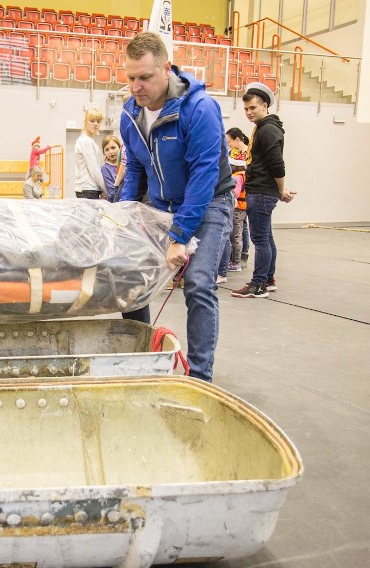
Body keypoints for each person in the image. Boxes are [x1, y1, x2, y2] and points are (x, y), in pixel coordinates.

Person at [118, 32, 235, 383]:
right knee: (129, 275)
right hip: (161, 204)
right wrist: (122, 214)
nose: (137, 87)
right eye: (131, 78)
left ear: (166, 69)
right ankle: (140, 359)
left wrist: (180, 236)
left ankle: (200, 378)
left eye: (145, 77)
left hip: (209, 200)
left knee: (199, 284)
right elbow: (136, 170)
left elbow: (204, 174)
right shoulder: (129, 114)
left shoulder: (200, 109)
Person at [232, 82, 296, 299]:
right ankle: (267, 279)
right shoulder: (263, 127)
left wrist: (280, 190)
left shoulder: (267, 129)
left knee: (260, 240)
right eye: (246, 109)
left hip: (260, 192)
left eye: (253, 108)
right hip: (260, 191)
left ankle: (258, 283)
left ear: (265, 105)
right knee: (266, 238)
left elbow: (277, 164)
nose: (249, 113)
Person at [225, 127, 249, 273]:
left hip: (242, 198)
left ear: (237, 139)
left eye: (229, 142)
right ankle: (236, 257)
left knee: (240, 229)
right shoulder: (232, 152)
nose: (228, 145)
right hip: (239, 199)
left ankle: (240, 256)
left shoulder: (247, 152)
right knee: (238, 228)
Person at [74, 107, 106, 199]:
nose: (96, 124)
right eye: (92, 121)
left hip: (89, 189)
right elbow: (94, 169)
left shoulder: (89, 141)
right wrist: (105, 189)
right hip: (88, 189)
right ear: (85, 121)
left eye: (98, 121)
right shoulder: (85, 141)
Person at [100, 134, 123, 202]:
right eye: (107, 150)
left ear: (120, 147)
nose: (111, 152)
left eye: (113, 148)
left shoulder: (125, 165)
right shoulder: (105, 169)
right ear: (104, 153)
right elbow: (112, 192)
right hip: (116, 203)